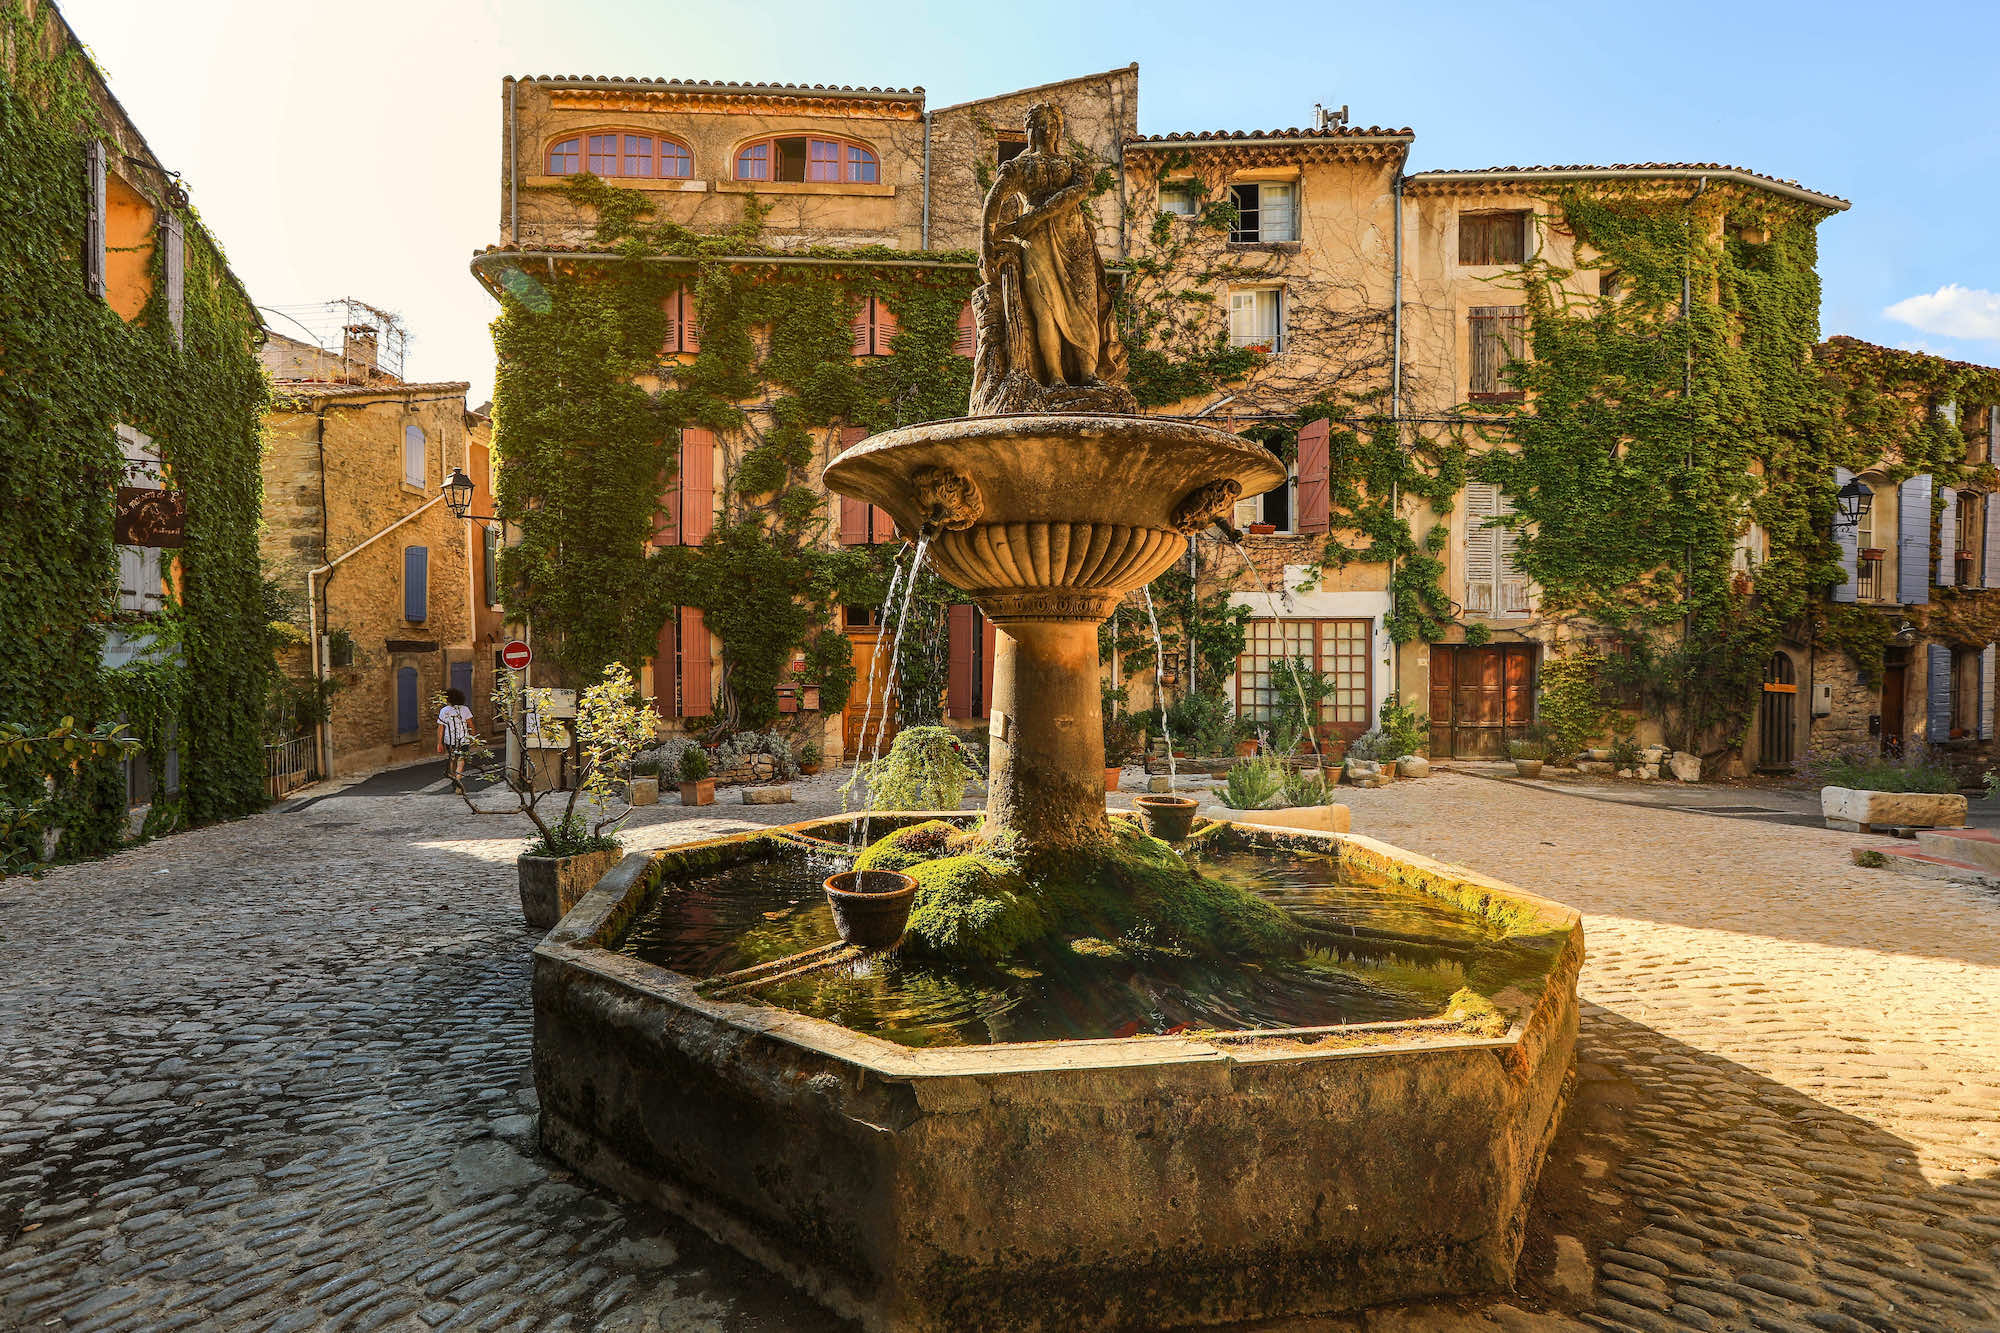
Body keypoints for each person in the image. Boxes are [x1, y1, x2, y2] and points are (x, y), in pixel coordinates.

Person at [437, 688, 474, 793]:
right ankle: (457, 781)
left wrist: (439, 743)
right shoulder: (465, 709)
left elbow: (440, 728)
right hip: (464, 739)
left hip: (450, 740)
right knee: (461, 760)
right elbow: (470, 725)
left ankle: (455, 779)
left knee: (452, 760)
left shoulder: (444, 711)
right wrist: (474, 737)